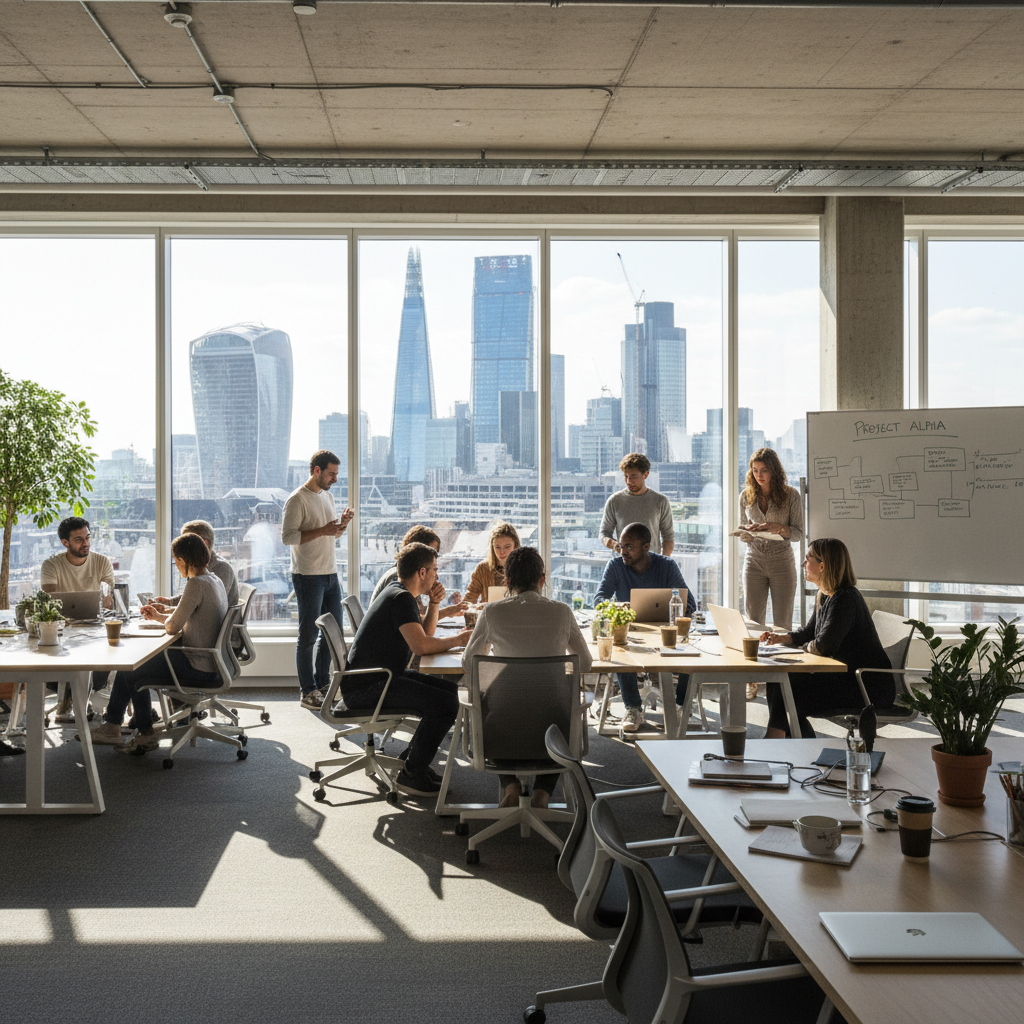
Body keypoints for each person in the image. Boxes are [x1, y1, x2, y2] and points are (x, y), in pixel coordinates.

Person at [461, 546, 593, 809]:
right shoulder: (562, 611)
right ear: (542, 579)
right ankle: (543, 793)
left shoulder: (492, 613)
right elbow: (586, 663)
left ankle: (510, 785)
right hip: (555, 733)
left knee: (492, 700)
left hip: (500, 733)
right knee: (559, 702)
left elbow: (468, 663)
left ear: (507, 581)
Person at [346, 542, 473, 797]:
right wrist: (460, 640)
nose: (438, 576)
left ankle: (412, 762)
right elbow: (422, 646)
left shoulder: (401, 593)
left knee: (450, 692)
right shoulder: (401, 598)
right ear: (422, 573)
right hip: (371, 687)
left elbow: (424, 634)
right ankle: (412, 773)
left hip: (382, 677)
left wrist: (435, 603)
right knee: (446, 705)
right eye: (435, 570)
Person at [88, 532, 228, 754]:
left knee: (132, 668)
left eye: (176, 562)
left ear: (182, 560)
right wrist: (157, 617)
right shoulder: (214, 580)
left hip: (197, 666)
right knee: (132, 666)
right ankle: (114, 726)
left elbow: (173, 627)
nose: (177, 566)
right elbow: (189, 620)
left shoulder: (196, 584)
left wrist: (165, 619)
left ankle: (141, 734)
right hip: (211, 662)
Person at [760, 537, 890, 739]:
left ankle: (780, 739)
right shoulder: (826, 595)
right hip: (842, 678)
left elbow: (824, 645)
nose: (804, 563)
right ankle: (788, 739)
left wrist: (805, 648)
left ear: (822, 566)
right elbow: (809, 633)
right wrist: (781, 638)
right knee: (779, 679)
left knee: (789, 692)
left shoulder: (846, 599)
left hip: (865, 687)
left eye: (808, 558)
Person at [594, 522, 695, 733]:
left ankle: (680, 707)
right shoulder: (615, 566)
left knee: (692, 654)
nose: (623, 552)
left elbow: (690, 603)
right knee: (620, 651)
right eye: (621, 546)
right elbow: (599, 599)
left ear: (646, 547)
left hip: (664, 634)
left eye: (629, 546)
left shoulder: (667, 566)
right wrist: (622, 607)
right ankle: (633, 708)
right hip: (630, 634)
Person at [281, 450, 354, 710]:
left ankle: (323, 684)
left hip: (330, 573)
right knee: (309, 634)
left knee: (332, 632)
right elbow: (288, 537)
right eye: (331, 473)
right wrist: (325, 530)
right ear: (317, 471)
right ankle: (307, 690)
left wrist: (341, 525)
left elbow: (330, 536)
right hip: (308, 575)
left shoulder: (329, 497)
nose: (335, 478)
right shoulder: (297, 499)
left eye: (336, 474)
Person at [738, 447, 803, 699]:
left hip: (781, 562)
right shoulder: (746, 496)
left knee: (782, 623)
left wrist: (779, 528)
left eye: (764, 470)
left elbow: (797, 533)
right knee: (753, 621)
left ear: (774, 470)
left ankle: (781, 682)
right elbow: (744, 533)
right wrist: (745, 533)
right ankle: (751, 679)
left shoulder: (791, 496)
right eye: (755, 471)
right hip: (754, 560)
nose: (759, 476)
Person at [40, 516, 115, 723]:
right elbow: (50, 602)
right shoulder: (51, 565)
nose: (86, 543)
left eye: (88, 537)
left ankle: (77, 701)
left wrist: (105, 600)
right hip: (63, 633)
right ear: (65, 542)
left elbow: (109, 601)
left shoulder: (102, 562)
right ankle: (71, 702)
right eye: (79, 539)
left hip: (95, 631)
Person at [370, 524, 467, 619]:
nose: (433, 557)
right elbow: (419, 617)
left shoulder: (403, 574)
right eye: (429, 551)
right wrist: (448, 611)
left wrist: (445, 603)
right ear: (416, 550)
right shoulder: (399, 577)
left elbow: (418, 613)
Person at [151, 520, 238, 610]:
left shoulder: (222, 568)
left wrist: (166, 609)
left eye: (187, 544)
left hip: (218, 623)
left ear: (204, 543)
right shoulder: (198, 567)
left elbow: (204, 604)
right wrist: (169, 602)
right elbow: (194, 596)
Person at [599, 453, 675, 556]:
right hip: (624, 566)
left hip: (651, 565)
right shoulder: (614, 501)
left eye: (634, 477)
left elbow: (668, 536)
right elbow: (603, 534)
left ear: (646, 475)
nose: (629, 481)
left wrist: (662, 564)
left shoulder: (660, 501)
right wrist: (615, 545)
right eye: (626, 476)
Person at [464, 522, 520, 605]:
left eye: (507, 547)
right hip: (488, 617)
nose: (502, 552)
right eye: (497, 547)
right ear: (492, 547)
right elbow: (469, 600)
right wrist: (480, 607)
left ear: (515, 546)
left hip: (516, 616)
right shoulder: (482, 569)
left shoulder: (523, 569)